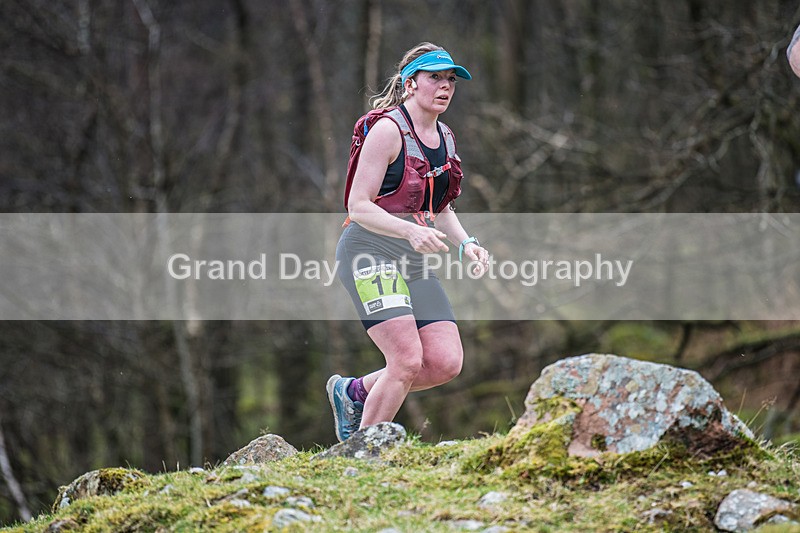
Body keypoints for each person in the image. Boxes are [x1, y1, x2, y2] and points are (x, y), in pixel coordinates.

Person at [327, 42, 489, 442]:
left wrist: (466, 243)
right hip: (368, 250)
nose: (445, 87)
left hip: (409, 257)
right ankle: (363, 456)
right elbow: (358, 206)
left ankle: (353, 393)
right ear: (409, 83)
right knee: (405, 360)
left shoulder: (446, 138)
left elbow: (442, 207)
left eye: (450, 80)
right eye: (434, 77)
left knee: (445, 362)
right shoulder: (387, 130)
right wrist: (409, 230)